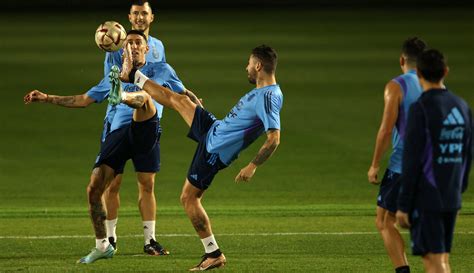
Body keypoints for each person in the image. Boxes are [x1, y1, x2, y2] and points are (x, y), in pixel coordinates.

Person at [24, 30, 196, 263]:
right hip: (118, 133)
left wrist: (200, 116)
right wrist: (46, 97)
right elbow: (84, 100)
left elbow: (182, 95)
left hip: (146, 128)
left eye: (138, 43)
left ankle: (150, 240)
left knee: (145, 99)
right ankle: (104, 244)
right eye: (129, 44)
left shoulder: (162, 70)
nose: (134, 46)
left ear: (146, 49)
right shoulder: (112, 76)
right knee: (95, 187)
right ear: (122, 49)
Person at [114, 44, 283, 271]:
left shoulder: (269, 97)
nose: (247, 68)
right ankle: (133, 75)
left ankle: (213, 253)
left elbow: (274, 138)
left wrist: (252, 165)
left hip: (215, 149)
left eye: (250, 64)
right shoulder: (264, 92)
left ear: (259, 65)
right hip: (215, 129)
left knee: (188, 199)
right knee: (180, 100)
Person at [396, 49, 472, 273]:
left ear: (418, 73)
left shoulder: (421, 108)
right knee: (442, 258)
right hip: (451, 194)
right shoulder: (461, 106)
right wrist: (459, 190)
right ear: (445, 72)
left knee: (433, 260)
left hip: (428, 196)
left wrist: (403, 204)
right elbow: (468, 152)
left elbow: (412, 158)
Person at [367, 37, 427, 273]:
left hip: (403, 165)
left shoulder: (397, 86)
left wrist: (374, 165)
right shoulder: (436, 85)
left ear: (402, 60)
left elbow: (385, 129)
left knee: (384, 221)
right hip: (432, 165)